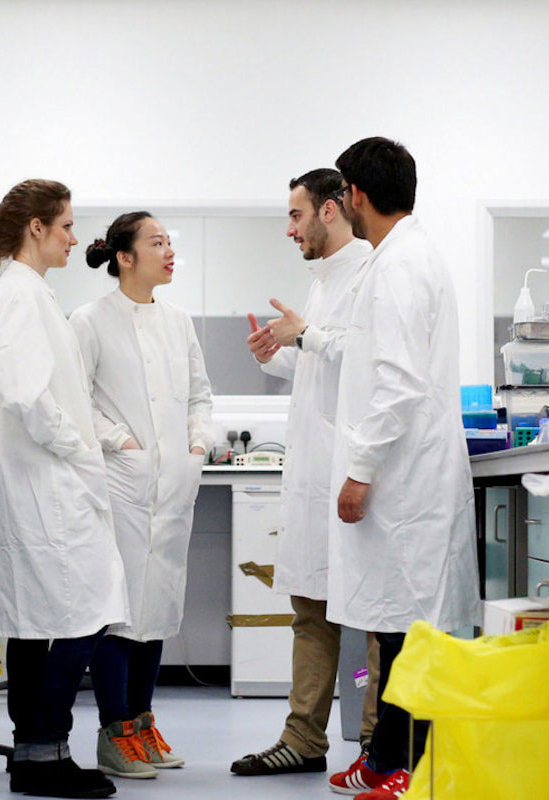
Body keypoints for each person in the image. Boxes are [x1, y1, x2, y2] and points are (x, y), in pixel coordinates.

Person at [323, 139, 479, 800]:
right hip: (406, 477)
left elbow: (397, 384)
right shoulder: (400, 257)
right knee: (394, 629)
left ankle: (411, 771)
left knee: (412, 634)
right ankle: (387, 760)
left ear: (355, 195)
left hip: (405, 480)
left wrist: (359, 471)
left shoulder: (400, 265)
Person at [0, 178, 129, 800]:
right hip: (49, 483)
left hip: (54, 482)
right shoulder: (18, 294)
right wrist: (77, 446)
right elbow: (26, 395)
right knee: (75, 616)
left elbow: (56, 389)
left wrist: (99, 439)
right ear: (36, 227)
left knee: (49, 620)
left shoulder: (30, 292)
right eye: (65, 226)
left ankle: (38, 755)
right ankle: (42, 752)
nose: (74, 238)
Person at [229, 169, 380, 779]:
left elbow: (370, 363)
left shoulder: (372, 272)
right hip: (318, 469)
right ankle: (303, 739)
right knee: (310, 610)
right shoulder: (321, 283)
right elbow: (325, 370)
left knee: (370, 614)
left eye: (295, 215)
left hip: (355, 470)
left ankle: (377, 742)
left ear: (329, 210)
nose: (289, 230)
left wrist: (309, 337)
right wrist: (284, 356)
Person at [69, 212, 215, 780]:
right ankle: (114, 732)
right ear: (124, 257)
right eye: (157, 243)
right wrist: (120, 441)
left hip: (174, 480)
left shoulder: (178, 321)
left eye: (170, 242)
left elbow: (200, 394)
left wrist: (199, 443)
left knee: (158, 606)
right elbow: (76, 397)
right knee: (121, 609)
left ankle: (143, 723)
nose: (169, 251)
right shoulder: (89, 320)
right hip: (122, 482)